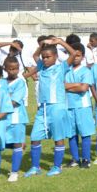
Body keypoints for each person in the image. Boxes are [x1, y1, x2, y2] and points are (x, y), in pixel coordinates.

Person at [25, 40, 74, 176]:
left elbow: (73, 53)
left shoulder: (61, 67)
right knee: (34, 137)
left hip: (57, 107)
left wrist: (60, 41)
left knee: (58, 137)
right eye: (44, 57)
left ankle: (57, 166)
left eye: (48, 57)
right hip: (43, 108)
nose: (45, 59)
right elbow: (35, 56)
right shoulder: (41, 66)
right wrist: (41, 46)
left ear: (56, 56)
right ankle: (35, 167)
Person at [61, 38, 97, 168]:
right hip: (68, 106)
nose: (75, 58)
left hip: (83, 106)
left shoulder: (86, 71)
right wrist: (76, 85)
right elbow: (61, 86)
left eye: (78, 55)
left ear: (82, 57)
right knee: (71, 133)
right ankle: (75, 159)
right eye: (73, 55)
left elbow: (83, 88)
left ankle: (86, 159)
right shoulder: (66, 70)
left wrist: (67, 86)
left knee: (85, 133)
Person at [0, 56, 30, 182]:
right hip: (2, 118)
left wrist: (3, 99)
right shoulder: (0, 82)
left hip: (17, 118)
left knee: (17, 143)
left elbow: (14, 102)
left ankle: (14, 172)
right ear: (5, 69)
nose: (13, 71)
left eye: (15, 69)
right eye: (10, 69)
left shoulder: (21, 82)